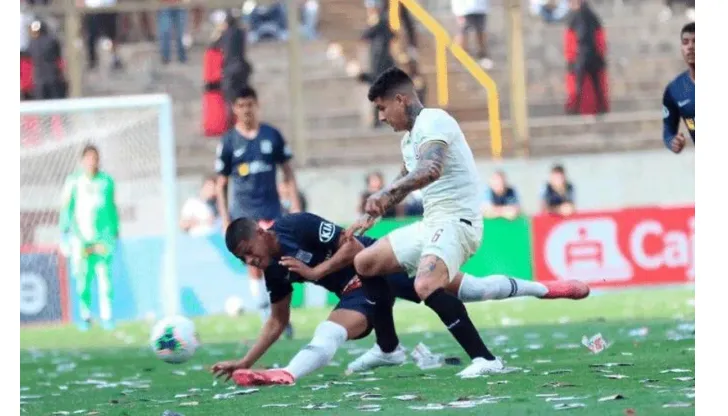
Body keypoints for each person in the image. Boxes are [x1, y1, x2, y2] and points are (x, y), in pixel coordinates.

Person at [210, 213, 589, 385]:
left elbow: (354, 247)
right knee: (330, 332)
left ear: (260, 232)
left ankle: (546, 289)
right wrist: (245, 360)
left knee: (473, 289)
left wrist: (316, 273)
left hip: (382, 264)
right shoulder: (273, 270)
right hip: (355, 295)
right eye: (243, 260)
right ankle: (287, 374)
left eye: (249, 251)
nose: (251, 261)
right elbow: (277, 321)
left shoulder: (296, 226)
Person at [347, 67, 501, 377]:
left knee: (425, 284)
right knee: (365, 262)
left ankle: (486, 360)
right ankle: (388, 349)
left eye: (381, 108)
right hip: (433, 222)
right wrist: (374, 210)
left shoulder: (434, 121)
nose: (380, 117)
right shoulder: (409, 139)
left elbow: (431, 169)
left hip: (459, 222)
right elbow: (405, 178)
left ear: (400, 100)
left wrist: (387, 191)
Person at [215, 86, 300, 337]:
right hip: (244, 214)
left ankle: (279, 313)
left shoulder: (272, 135)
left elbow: (288, 172)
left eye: (249, 105)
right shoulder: (229, 141)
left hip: (272, 209)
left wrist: (295, 206)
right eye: (240, 106)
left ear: (257, 105)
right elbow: (221, 184)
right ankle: (267, 312)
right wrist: (225, 218)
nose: (245, 110)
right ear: (234, 109)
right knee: (255, 263)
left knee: (278, 263)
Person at [59, 145, 120, 331]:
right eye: (89, 158)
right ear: (83, 160)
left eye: (95, 158)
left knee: (104, 279)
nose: (92, 162)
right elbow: (66, 208)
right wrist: (64, 232)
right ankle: (85, 316)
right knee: (83, 279)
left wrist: (115, 231)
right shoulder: (74, 181)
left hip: (102, 239)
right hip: (81, 239)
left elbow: (112, 207)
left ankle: (107, 317)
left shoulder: (107, 181)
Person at [662, 22, 695, 154]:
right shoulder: (675, 90)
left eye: (696, 41)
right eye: (685, 42)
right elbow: (668, 130)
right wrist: (673, 141)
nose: (691, 47)